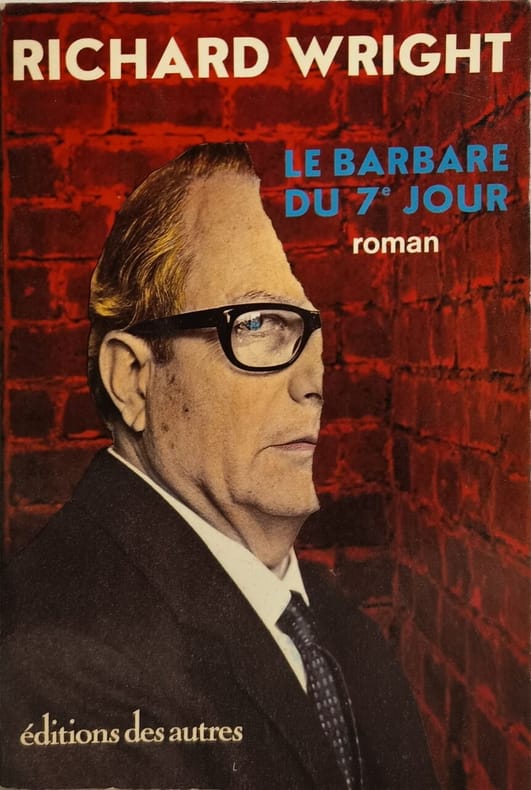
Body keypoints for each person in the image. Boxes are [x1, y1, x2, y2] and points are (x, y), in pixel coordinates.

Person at [1, 143, 438, 789]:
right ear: (133, 378)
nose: (312, 385)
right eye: (257, 325)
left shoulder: (337, 629)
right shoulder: (60, 656)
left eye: (309, 336)